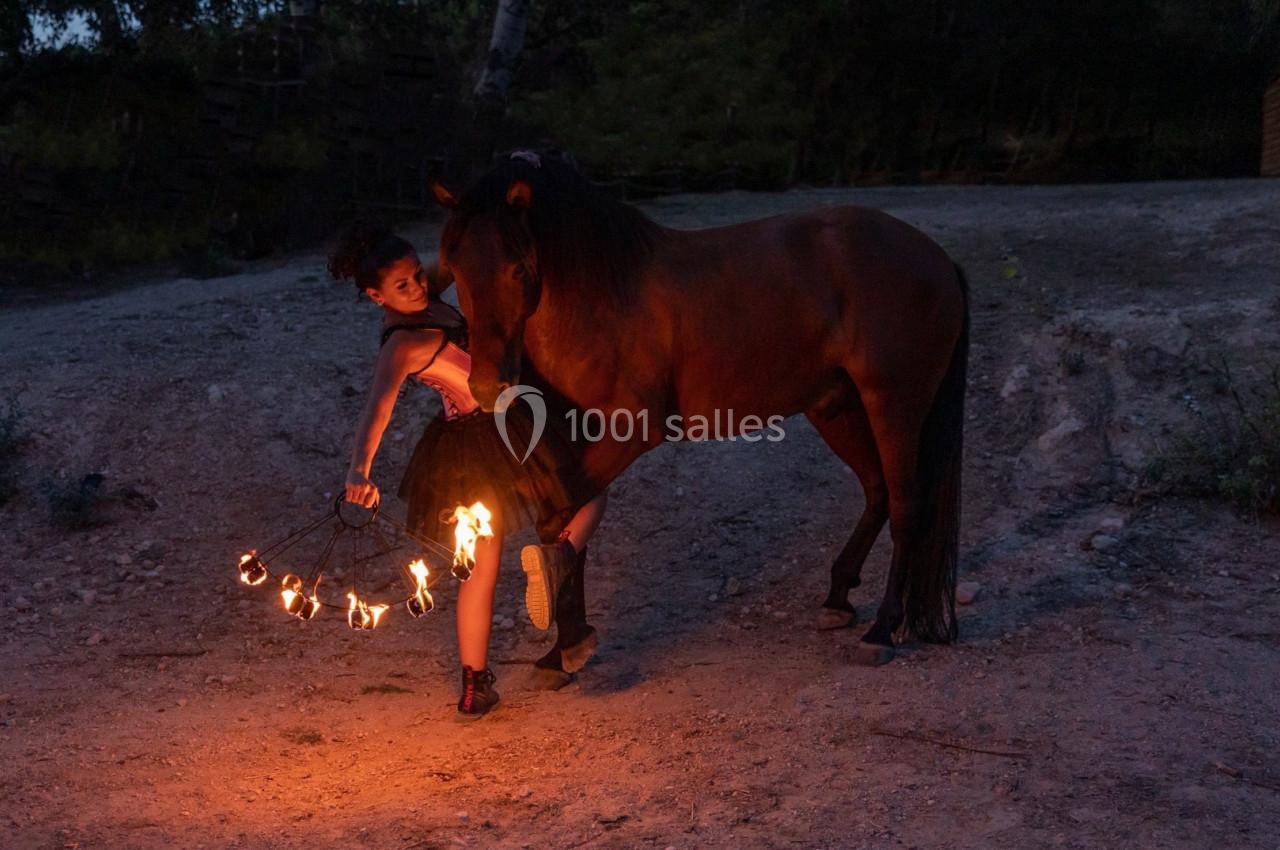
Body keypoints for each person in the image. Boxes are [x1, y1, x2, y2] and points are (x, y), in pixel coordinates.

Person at [328, 222, 607, 718]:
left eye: (418, 275)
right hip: (495, 432)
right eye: (402, 285)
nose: (417, 287)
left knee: (486, 559)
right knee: (589, 491)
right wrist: (358, 471)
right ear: (375, 296)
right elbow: (377, 409)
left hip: (478, 437)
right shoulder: (400, 345)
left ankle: (476, 682)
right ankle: (557, 558)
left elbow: (459, 257)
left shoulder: (426, 296)